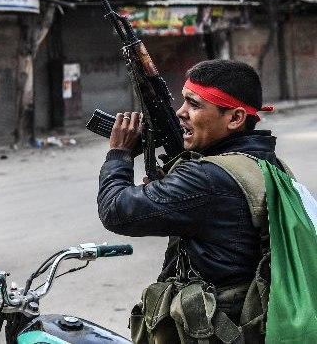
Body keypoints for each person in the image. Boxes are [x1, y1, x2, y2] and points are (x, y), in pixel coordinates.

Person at [97, 59, 285, 343]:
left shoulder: (208, 177)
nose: (180, 113)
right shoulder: (265, 163)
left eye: (195, 105)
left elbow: (116, 210)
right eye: (184, 101)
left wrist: (119, 155)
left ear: (234, 118)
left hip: (218, 330)